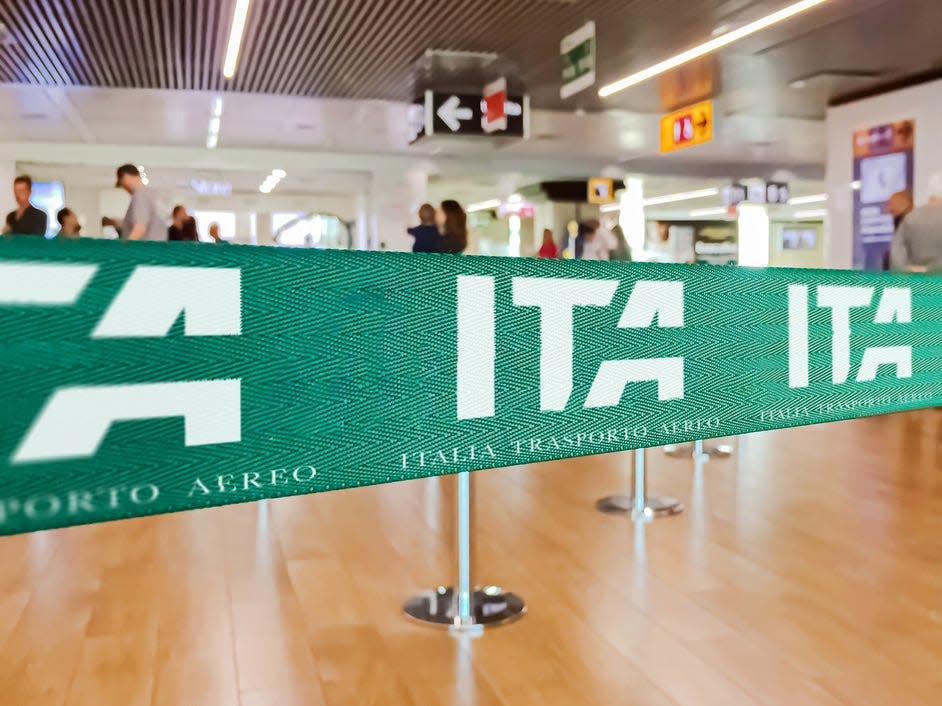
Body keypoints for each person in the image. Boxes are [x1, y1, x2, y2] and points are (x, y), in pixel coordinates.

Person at [890, 175, 942, 272]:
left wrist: (906, 270)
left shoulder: (910, 217)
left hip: (916, 281)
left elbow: (897, 253)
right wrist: (930, 269)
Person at [102, 164, 167, 241]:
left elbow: (139, 228)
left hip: (144, 249)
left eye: (121, 183)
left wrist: (126, 248)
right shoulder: (150, 194)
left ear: (125, 177)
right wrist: (117, 222)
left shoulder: (140, 195)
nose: (123, 188)